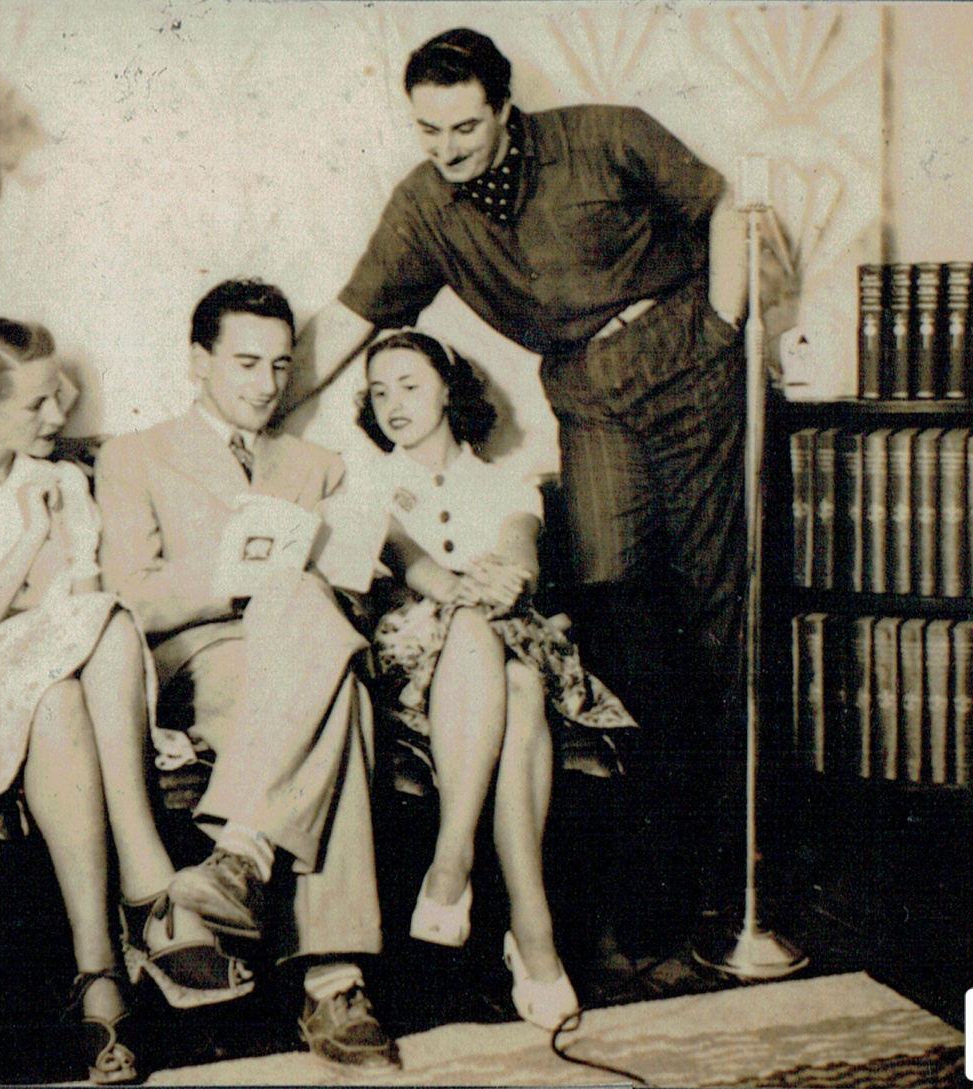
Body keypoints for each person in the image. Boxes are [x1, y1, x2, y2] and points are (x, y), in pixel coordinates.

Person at [292, 27, 750, 936]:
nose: (447, 148)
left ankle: (734, 866)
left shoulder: (608, 133)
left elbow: (724, 204)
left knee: (713, 598)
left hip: (686, 353)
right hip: (586, 386)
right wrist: (263, 398)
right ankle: (660, 864)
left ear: (505, 108)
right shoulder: (424, 205)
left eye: (465, 127)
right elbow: (349, 315)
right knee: (611, 589)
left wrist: (723, 328)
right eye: (428, 130)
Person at [0, 317, 253, 1085]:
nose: (58, 415)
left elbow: (77, 610)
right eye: (37, 403)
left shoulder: (66, 481)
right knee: (93, 628)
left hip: (50, 678)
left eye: (59, 396)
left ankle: (97, 973)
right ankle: (150, 891)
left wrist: (10, 598)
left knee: (63, 688)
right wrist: (28, 540)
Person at [96, 280, 402, 1073]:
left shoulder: (319, 464)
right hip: (205, 658)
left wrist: (337, 574)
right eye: (246, 363)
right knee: (338, 692)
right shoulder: (134, 456)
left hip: (306, 645)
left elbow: (359, 574)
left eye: (280, 364)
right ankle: (334, 984)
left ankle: (242, 857)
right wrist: (239, 581)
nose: (267, 384)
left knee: (327, 656)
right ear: (198, 361)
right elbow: (130, 597)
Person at [356, 329, 635, 1027]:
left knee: (513, 673)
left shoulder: (505, 481)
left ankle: (454, 874)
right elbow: (401, 551)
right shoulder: (364, 482)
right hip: (416, 658)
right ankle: (532, 935)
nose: (394, 403)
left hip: (511, 639)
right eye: (380, 391)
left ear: (449, 389)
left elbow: (519, 550)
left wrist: (507, 579)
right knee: (498, 661)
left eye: (410, 385)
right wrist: (462, 589)